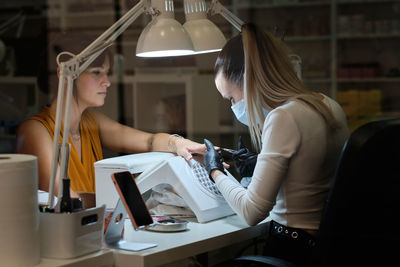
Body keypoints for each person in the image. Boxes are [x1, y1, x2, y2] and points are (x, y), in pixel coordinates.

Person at [203, 23, 350, 265]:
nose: (233, 106)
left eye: (231, 97)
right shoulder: (328, 105)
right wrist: (256, 171)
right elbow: (306, 184)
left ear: (250, 80)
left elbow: (252, 213)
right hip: (327, 248)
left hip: (293, 250)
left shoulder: (283, 117)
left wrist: (214, 171)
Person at [15, 41, 205, 209]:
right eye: (97, 73)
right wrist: (129, 201)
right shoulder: (36, 130)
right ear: (65, 75)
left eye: (107, 73)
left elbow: (149, 141)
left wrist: (180, 145)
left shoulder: (91, 122)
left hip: (92, 229)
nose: (107, 82)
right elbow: (66, 200)